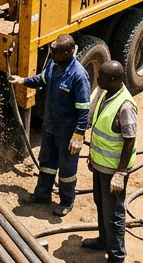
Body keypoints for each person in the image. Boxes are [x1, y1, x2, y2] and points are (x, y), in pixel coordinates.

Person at [10, 34, 90, 216]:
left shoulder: (78, 75)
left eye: (56, 52)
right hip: (50, 126)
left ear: (70, 52)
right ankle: (42, 194)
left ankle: (67, 201)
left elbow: (84, 109)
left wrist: (78, 136)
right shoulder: (53, 65)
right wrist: (22, 81)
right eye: (51, 51)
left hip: (67, 131)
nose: (52, 54)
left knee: (67, 168)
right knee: (47, 162)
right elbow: (42, 80)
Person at [83, 60, 137, 263]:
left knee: (114, 213)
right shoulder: (106, 95)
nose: (97, 79)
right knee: (101, 204)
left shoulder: (125, 105)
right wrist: (92, 156)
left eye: (102, 77)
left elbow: (129, 140)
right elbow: (101, 129)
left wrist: (120, 173)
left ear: (112, 80)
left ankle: (116, 258)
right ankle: (103, 240)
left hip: (113, 170)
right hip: (100, 165)